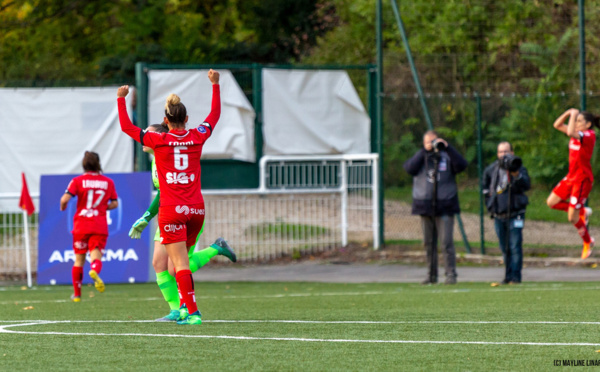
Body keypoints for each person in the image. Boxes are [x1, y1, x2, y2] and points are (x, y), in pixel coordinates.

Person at [117, 69, 220, 325]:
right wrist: (215, 85)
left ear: (165, 119)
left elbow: (126, 127)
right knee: (180, 265)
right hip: (196, 209)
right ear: (187, 118)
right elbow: (214, 116)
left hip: (171, 209)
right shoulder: (198, 135)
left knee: (179, 266)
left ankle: (192, 313)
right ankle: (186, 310)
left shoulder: (159, 140)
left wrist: (121, 99)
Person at [128, 122, 237, 322]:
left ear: (160, 137)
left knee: (174, 267)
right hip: (168, 215)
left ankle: (216, 248)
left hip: (182, 213)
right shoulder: (155, 160)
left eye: (148, 133)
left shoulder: (166, 154)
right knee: (158, 263)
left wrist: (146, 217)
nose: (143, 135)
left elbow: (165, 192)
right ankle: (176, 310)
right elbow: (162, 192)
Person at [403, 130, 468, 285]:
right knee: (428, 243)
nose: (432, 144)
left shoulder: (447, 156)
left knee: (446, 242)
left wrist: (448, 148)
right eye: (428, 142)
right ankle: (431, 275)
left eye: (434, 141)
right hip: (425, 206)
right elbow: (409, 168)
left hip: (446, 205)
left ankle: (450, 275)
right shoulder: (421, 157)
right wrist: (424, 151)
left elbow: (462, 166)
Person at [60, 151, 118, 302]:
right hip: (99, 224)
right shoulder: (108, 182)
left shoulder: (77, 181)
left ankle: (77, 294)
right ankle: (94, 270)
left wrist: (63, 206)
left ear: (84, 164)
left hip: (81, 224)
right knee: (96, 255)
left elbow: (64, 199)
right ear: (98, 163)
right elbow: (115, 203)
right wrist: (102, 207)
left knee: (79, 260)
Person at [547, 109, 599, 260]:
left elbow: (570, 132)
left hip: (582, 180)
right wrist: (569, 112)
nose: (575, 123)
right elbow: (557, 124)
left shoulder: (589, 135)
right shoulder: (577, 132)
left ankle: (588, 242)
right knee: (551, 202)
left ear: (588, 124)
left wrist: (573, 115)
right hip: (571, 177)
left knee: (572, 218)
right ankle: (581, 211)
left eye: (579, 121)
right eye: (575, 121)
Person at [483, 142, 530, 285]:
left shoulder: (519, 167)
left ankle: (516, 277)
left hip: (516, 213)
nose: (503, 155)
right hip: (499, 214)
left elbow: (526, 185)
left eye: (506, 152)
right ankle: (507, 275)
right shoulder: (492, 169)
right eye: (500, 152)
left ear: (512, 152)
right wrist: (490, 204)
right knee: (504, 247)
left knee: (515, 246)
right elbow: (485, 188)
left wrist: (516, 174)